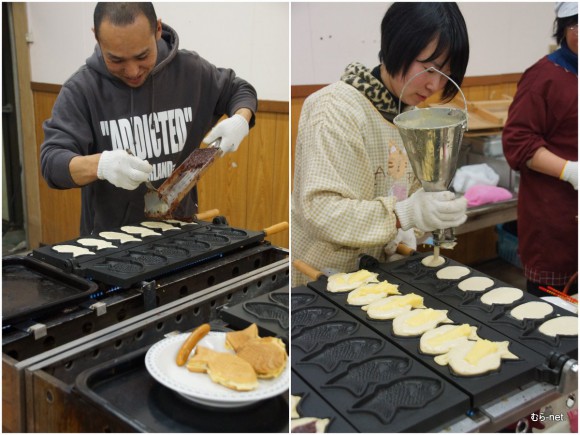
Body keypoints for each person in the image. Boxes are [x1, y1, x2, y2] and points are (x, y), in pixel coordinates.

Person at [40, 2, 257, 236]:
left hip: (181, 232)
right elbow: (52, 163)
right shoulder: (82, 89)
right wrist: (100, 165)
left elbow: (239, 89)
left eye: (143, 55)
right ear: (97, 38)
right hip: (110, 245)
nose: (133, 71)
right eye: (117, 60)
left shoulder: (191, 71)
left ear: (157, 29)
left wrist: (241, 119)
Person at [291, 2, 469, 285]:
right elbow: (322, 210)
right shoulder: (335, 109)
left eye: (445, 74)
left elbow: (410, 195)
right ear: (396, 47)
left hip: (378, 279)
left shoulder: (411, 118)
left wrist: (432, 210)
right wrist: (405, 214)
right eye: (429, 69)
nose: (434, 86)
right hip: (321, 284)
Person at [502, 2, 578, 297]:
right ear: (562, 29)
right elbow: (517, 142)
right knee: (552, 322)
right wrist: (569, 170)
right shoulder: (544, 77)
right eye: (576, 25)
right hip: (555, 222)